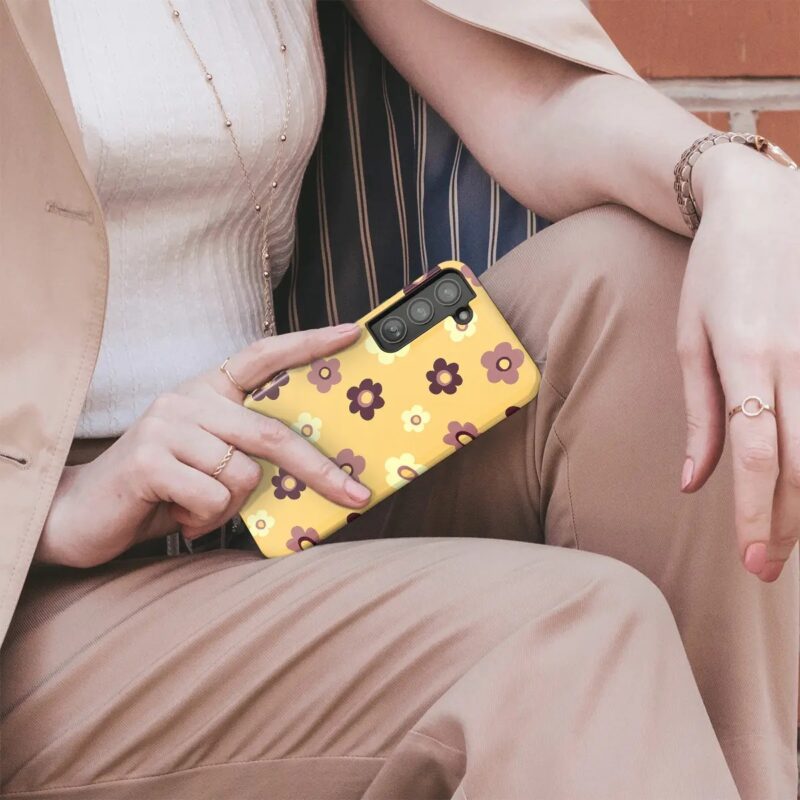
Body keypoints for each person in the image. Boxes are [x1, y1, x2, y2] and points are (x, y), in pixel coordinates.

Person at [0, 0, 796, 797]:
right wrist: (57, 503)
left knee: (654, 283)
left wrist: (733, 181)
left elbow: (536, 99)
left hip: (276, 463)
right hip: (39, 595)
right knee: (568, 636)